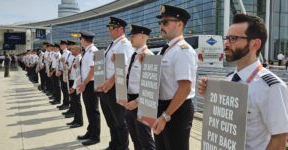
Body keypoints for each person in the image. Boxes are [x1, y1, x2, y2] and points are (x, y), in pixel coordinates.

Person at [198, 14, 288, 150]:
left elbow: (280, 138)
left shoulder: (272, 87)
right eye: (227, 38)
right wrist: (210, 94)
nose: (226, 43)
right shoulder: (229, 78)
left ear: (255, 44)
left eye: (233, 38)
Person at [153, 5, 197, 150]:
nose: (161, 26)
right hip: (163, 108)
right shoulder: (165, 49)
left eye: (165, 22)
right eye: (160, 22)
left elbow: (185, 88)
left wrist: (166, 116)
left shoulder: (183, 51)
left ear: (179, 24)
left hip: (176, 110)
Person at [96, 16, 134, 150]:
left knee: (120, 121)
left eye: (112, 28)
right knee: (111, 120)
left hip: (116, 87)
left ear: (120, 29)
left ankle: (123, 147)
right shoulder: (111, 45)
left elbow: (124, 67)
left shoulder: (125, 44)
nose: (109, 31)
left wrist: (110, 82)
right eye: (109, 28)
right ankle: (114, 145)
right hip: (106, 87)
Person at [120, 24, 156, 150]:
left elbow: (152, 86)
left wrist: (137, 101)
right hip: (130, 101)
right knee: (135, 137)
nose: (131, 38)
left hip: (142, 101)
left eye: (133, 36)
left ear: (142, 37)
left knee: (145, 140)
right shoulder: (134, 55)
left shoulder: (149, 56)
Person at [76, 31, 101, 145]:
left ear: (84, 40)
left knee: (93, 110)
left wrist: (84, 83)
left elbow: (93, 69)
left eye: (80, 39)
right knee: (89, 110)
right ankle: (90, 132)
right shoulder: (88, 51)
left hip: (91, 84)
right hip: (88, 83)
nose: (80, 41)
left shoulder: (92, 51)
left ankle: (95, 136)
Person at [66, 45, 83, 128]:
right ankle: (76, 119)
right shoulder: (75, 58)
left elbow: (78, 75)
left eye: (73, 49)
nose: (71, 50)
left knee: (77, 102)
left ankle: (79, 121)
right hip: (73, 80)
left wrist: (74, 87)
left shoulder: (79, 59)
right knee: (74, 101)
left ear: (78, 50)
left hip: (76, 82)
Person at [57, 40, 72, 111]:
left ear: (65, 45)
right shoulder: (63, 53)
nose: (60, 46)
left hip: (65, 73)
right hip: (62, 73)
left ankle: (67, 104)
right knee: (63, 89)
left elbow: (67, 65)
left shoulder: (68, 53)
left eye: (61, 45)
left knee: (66, 89)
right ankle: (65, 103)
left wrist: (62, 71)